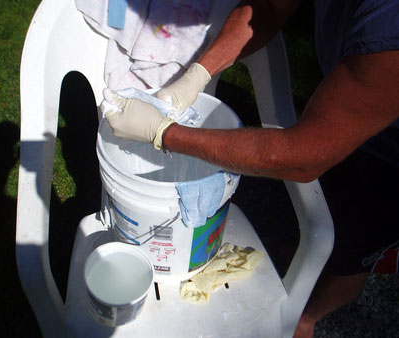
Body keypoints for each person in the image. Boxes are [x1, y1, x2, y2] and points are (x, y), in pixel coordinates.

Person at [102, 1, 399, 337]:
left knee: (353, 249)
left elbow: (302, 156)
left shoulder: (390, 27)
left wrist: (165, 134)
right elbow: (267, 11)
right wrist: (195, 77)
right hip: (353, 110)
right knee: (334, 204)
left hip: (390, 161)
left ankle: (305, 316)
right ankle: (300, 257)